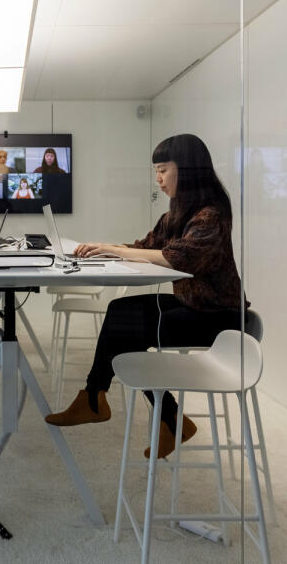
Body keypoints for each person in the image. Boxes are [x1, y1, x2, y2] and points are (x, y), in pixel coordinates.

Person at [44, 133, 251, 459]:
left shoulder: (211, 214)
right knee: (120, 312)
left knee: (126, 324)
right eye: (156, 171)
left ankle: (101, 400)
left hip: (218, 317)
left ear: (188, 169)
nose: (158, 178)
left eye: (163, 170)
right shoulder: (178, 213)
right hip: (194, 306)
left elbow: (176, 257)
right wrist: (103, 249)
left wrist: (112, 250)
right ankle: (155, 415)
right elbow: (148, 246)